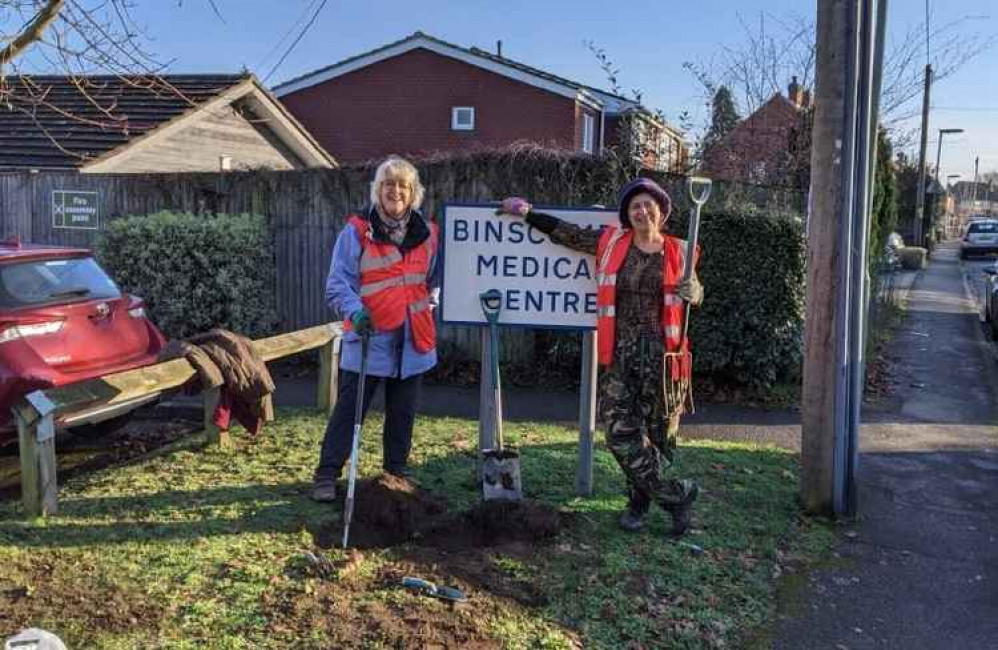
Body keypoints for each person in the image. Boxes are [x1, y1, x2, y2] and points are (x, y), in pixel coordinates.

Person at [496, 178, 704, 536]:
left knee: (656, 438)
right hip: (621, 356)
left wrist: (695, 291)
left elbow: (695, 292)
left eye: (647, 204)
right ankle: (675, 495)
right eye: (634, 206)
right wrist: (528, 214)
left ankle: (638, 506)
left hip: (664, 360)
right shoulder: (612, 243)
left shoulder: (680, 250)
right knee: (620, 434)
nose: (641, 211)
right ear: (627, 214)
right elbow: (568, 234)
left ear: (661, 209)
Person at [312, 156, 439, 501]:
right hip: (370, 337)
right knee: (349, 411)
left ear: (413, 193)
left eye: (402, 185)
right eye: (388, 184)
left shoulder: (427, 234)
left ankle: (395, 474)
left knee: (403, 414)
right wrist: (356, 311)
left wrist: (432, 301)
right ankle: (326, 474)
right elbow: (337, 284)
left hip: (413, 340)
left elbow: (431, 281)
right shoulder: (356, 231)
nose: (394, 191)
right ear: (377, 191)